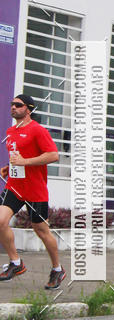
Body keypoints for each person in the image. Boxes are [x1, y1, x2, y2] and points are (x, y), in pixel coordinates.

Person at [0, 94, 65, 288]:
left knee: (41, 230)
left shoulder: (38, 130)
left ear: (28, 109)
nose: (13, 107)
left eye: (18, 105)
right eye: (12, 104)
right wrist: (8, 167)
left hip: (35, 190)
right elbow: (18, 157)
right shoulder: (10, 131)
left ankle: (57, 269)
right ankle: (16, 263)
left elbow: (53, 155)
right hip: (15, 186)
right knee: (1, 221)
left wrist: (25, 163)